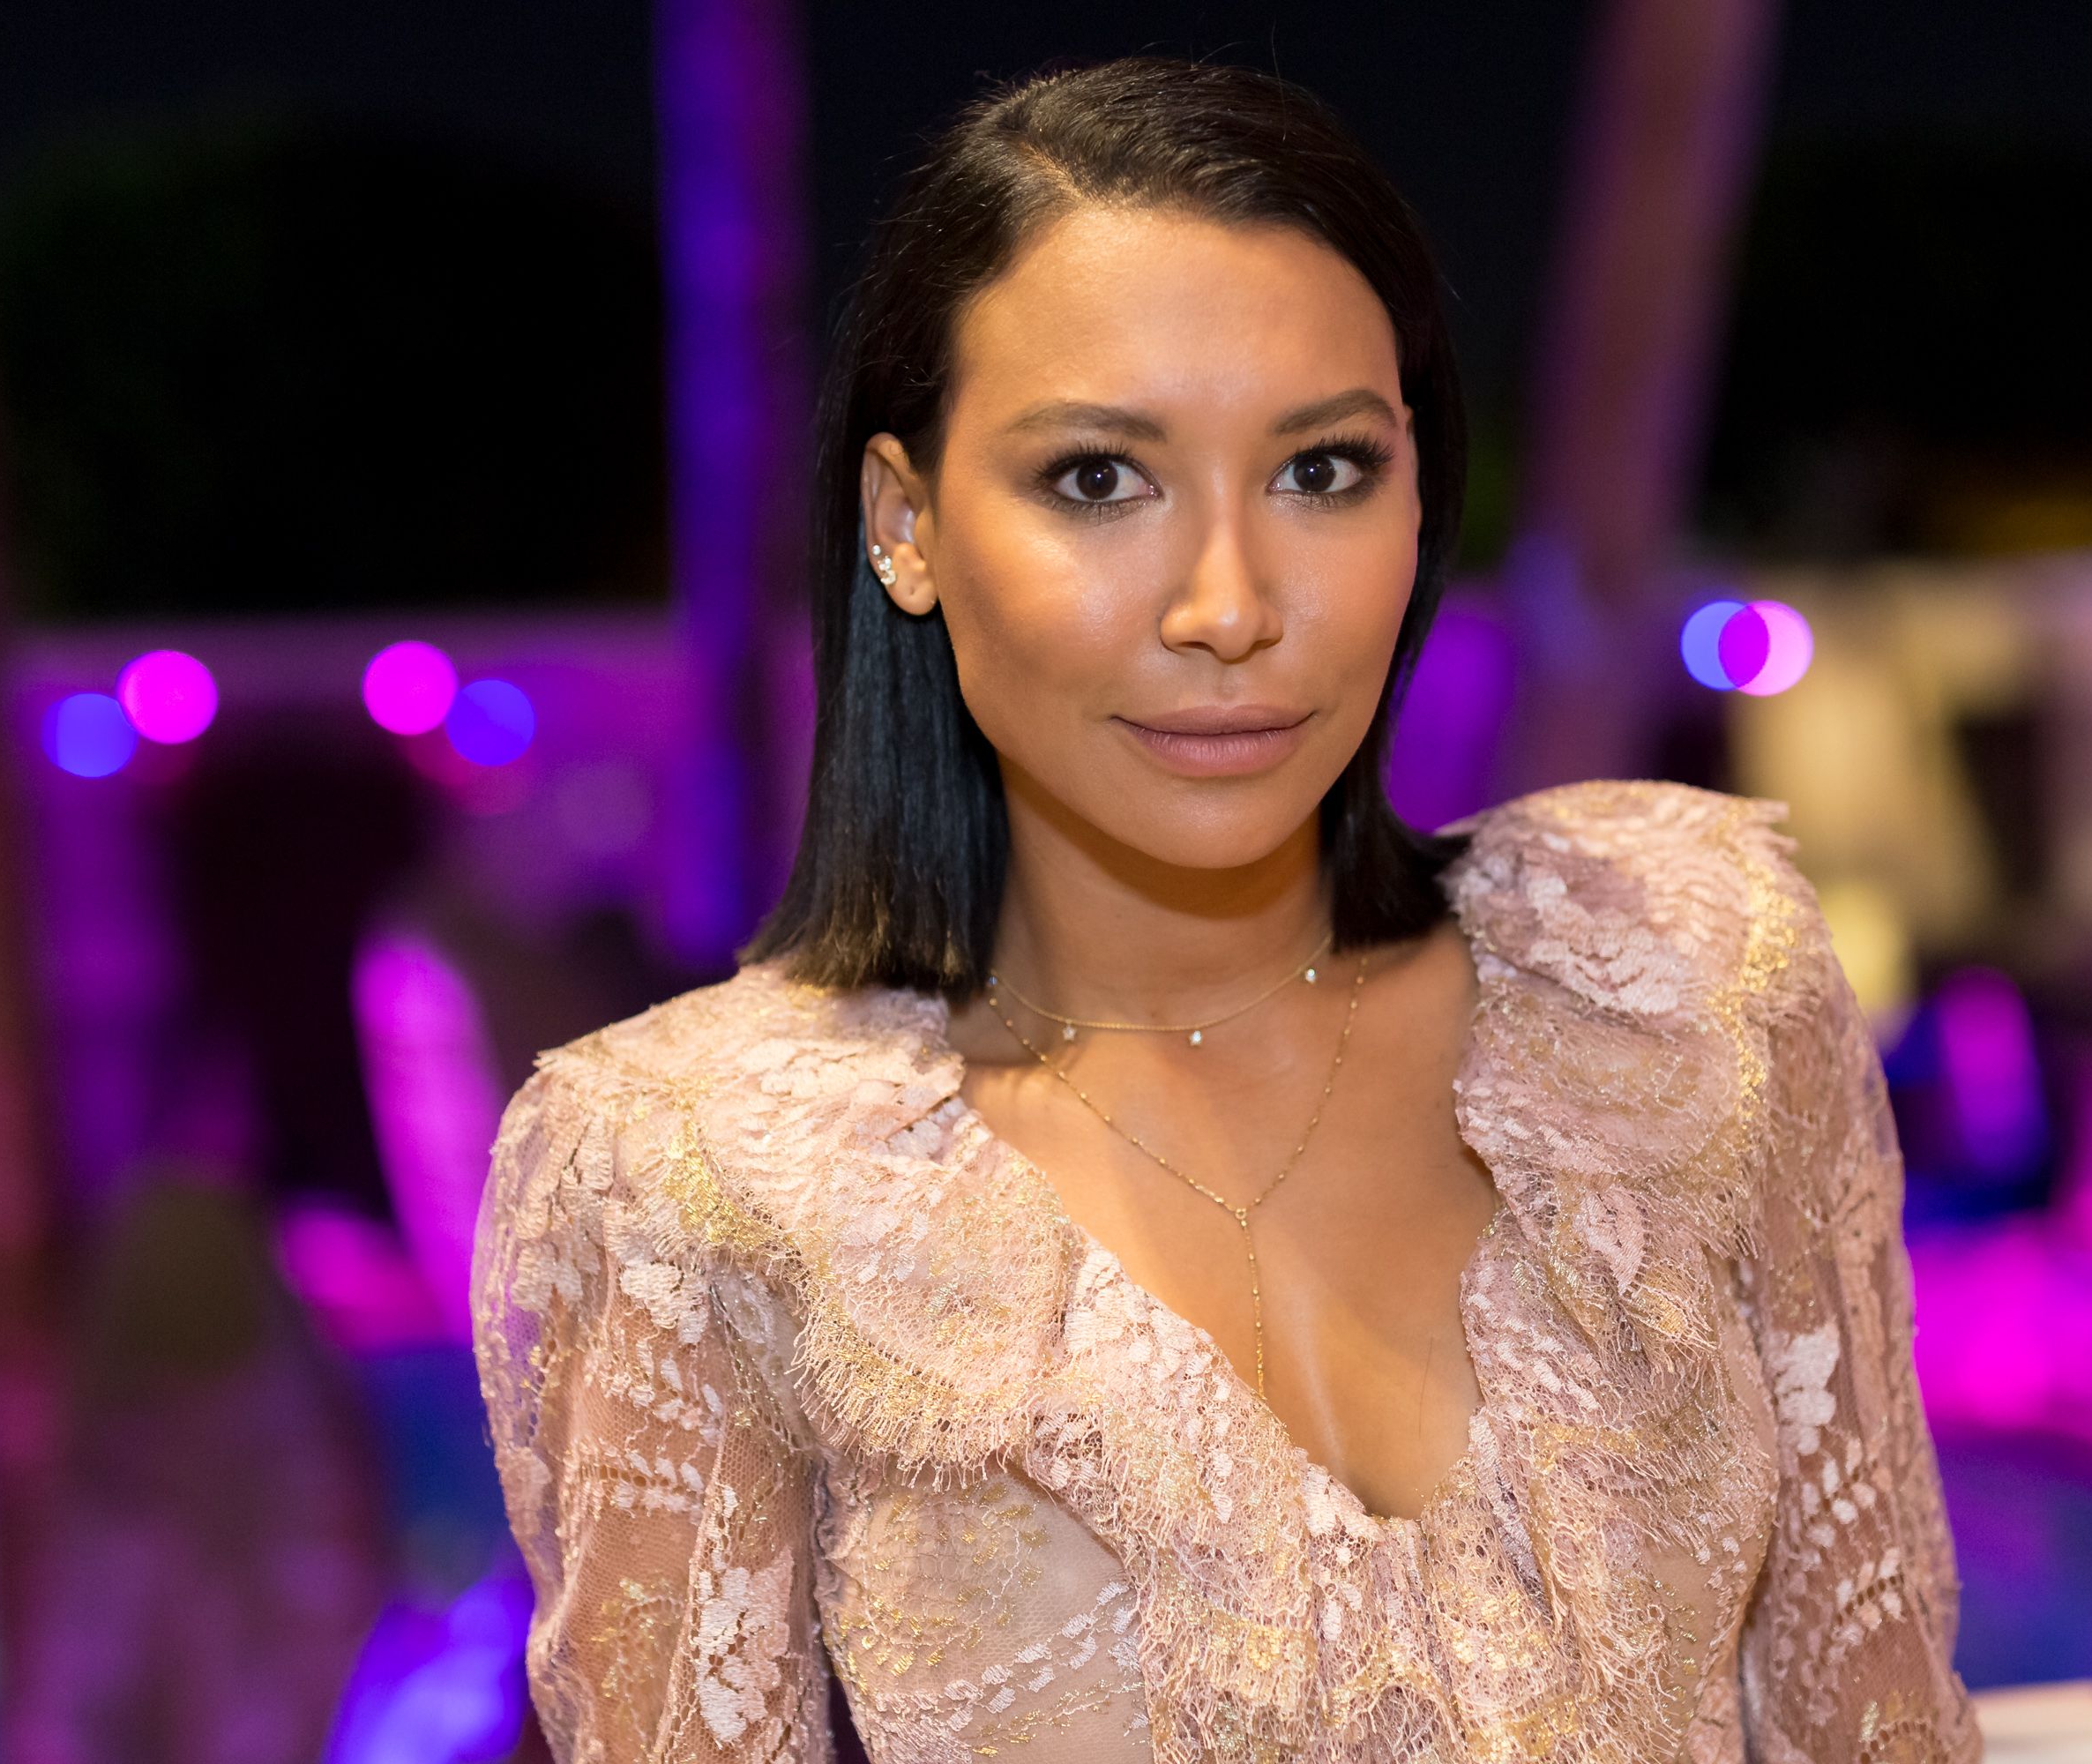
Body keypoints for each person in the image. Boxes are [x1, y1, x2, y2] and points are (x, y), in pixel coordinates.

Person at [474, 56, 1981, 1763]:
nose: (1231, 604)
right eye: (1099, 480)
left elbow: (1874, 1724)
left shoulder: (1686, 972)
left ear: (1423, 486)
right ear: (904, 524)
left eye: (1322, 470)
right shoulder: (688, 1173)